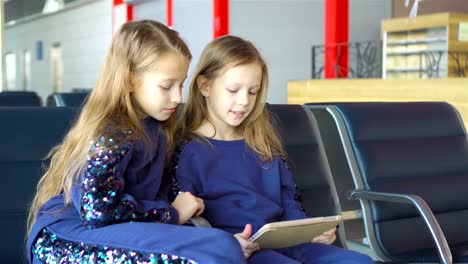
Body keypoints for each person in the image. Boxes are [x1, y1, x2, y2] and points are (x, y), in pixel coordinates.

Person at [26, 20, 245, 264]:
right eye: (166, 86)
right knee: (219, 249)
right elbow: (98, 211)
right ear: (130, 80)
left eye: (181, 84)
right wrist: (171, 213)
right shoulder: (113, 131)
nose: (177, 97)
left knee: (221, 245)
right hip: (69, 241)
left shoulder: (157, 128)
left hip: (117, 231)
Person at [171, 35, 374, 264]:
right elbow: (189, 224)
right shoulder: (188, 152)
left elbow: (289, 202)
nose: (245, 101)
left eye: (252, 91)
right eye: (233, 90)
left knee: (359, 261)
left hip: (288, 242)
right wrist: (226, 243)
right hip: (241, 250)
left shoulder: (263, 144)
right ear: (205, 86)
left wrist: (310, 231)